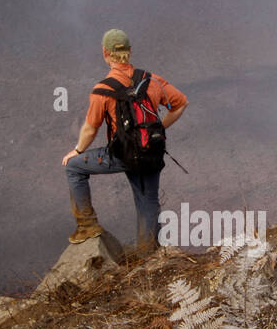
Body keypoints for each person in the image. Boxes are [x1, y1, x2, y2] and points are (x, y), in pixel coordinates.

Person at [61, 29, 188, 250]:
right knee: (148, 202)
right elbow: (181, 103)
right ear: (129, 51)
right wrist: (158, 128)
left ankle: (87, 225)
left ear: (105, 53)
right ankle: (148, 256)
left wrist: (78, 151)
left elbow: (90, 129)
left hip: (124, 155)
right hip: (151, 151)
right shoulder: (151, 80)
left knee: (73, 167)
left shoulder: (103, 90)